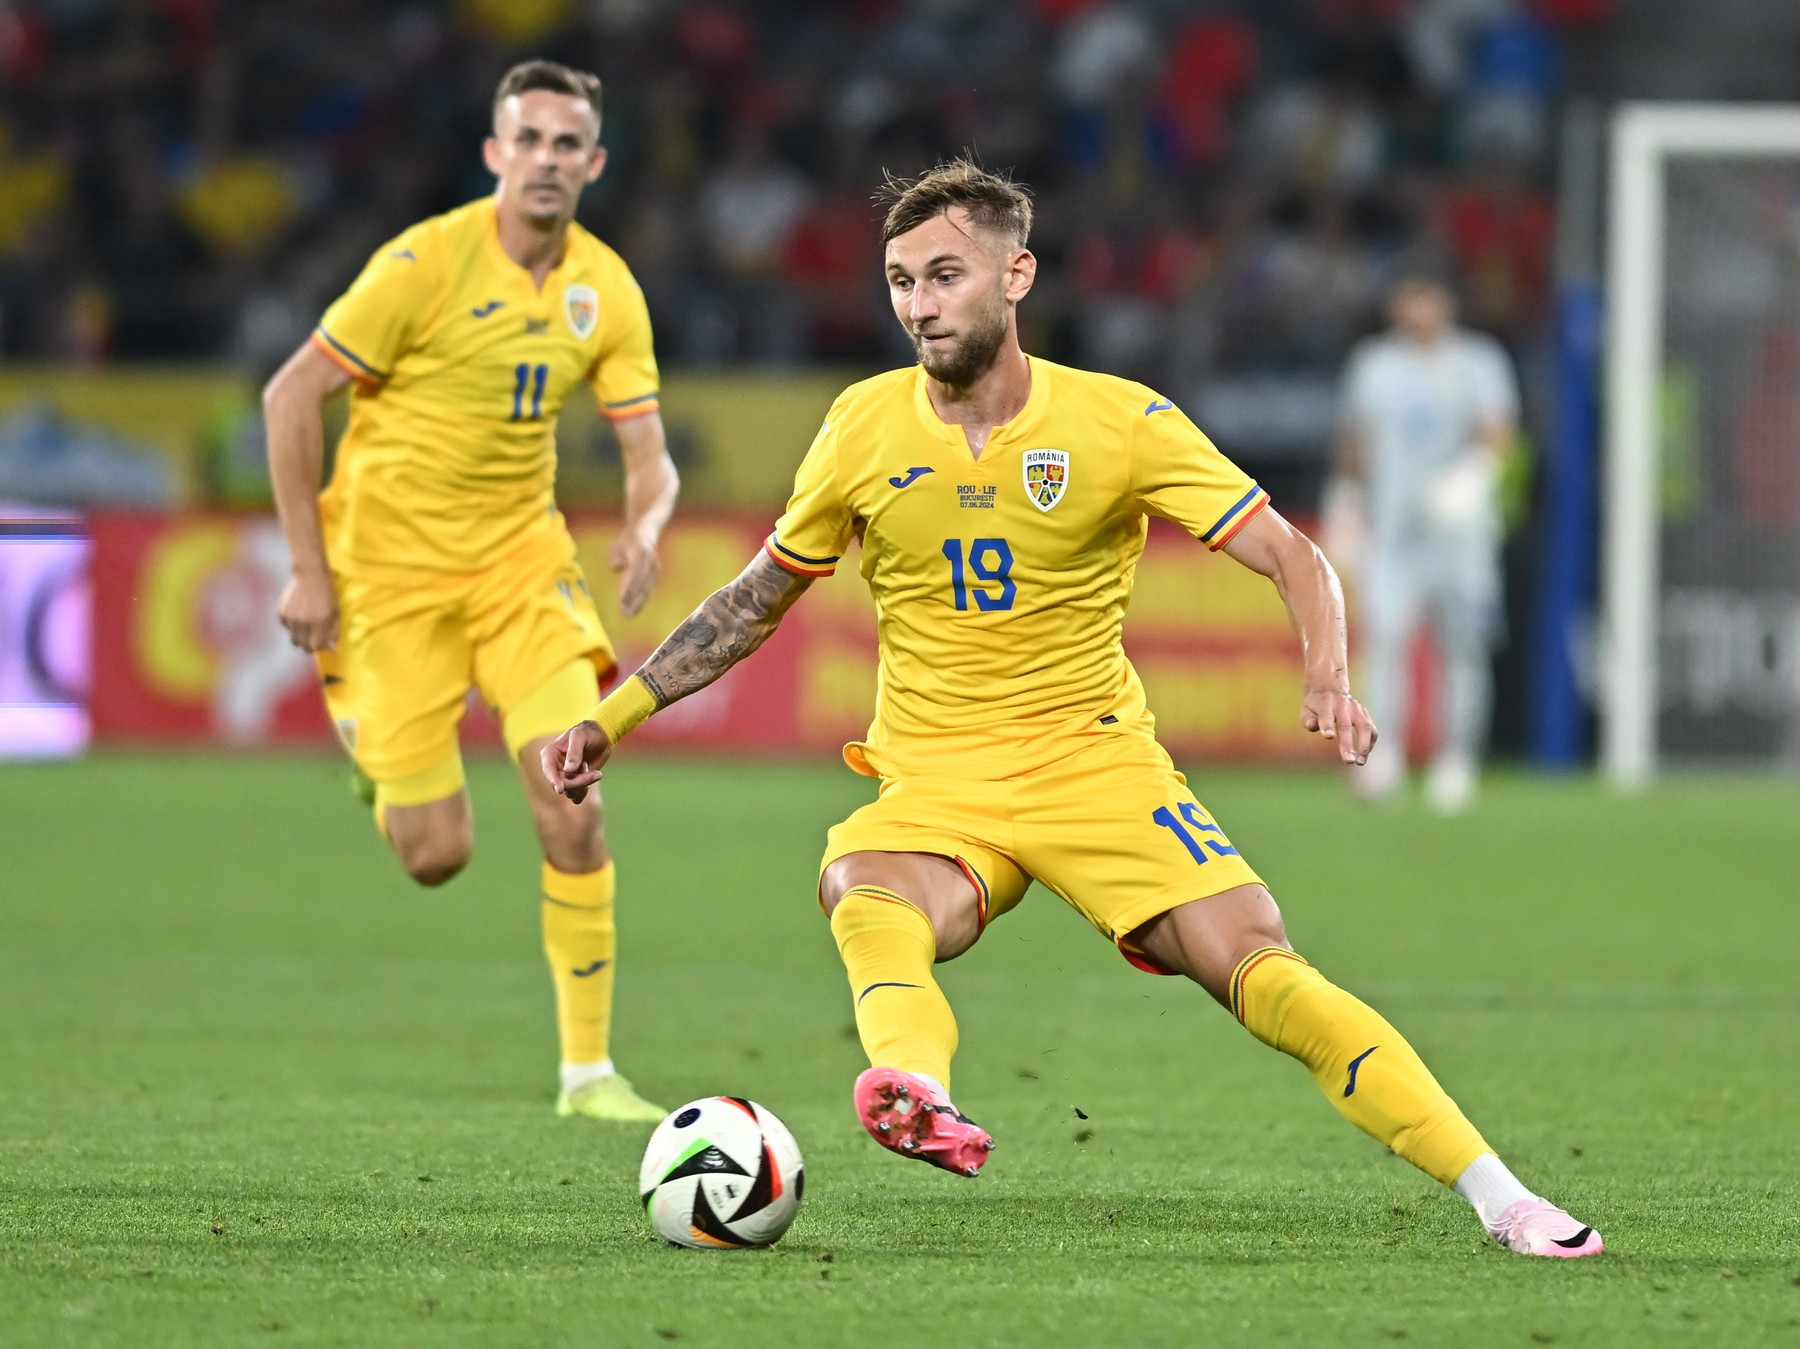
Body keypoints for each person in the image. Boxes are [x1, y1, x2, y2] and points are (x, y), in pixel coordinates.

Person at [542, 161, 1600, 1257]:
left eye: (945, 274)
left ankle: (1504, 1196)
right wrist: (611, 717)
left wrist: (1328, 673)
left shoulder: (1118, 420)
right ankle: (913, 1084)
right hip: (937, 777)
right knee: (864, 885)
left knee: (1260, 963)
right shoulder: (860, 424)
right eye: (901, 280)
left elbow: (1293, 553)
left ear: (1017, 276)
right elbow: (754, 597)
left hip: (1095, 767)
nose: (919, 304)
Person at [263, 60, 676, 1123]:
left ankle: (589, 1074)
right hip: (389, 582)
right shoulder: (424, 264)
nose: (547, 159)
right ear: (495, 153)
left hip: (521, 574)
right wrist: (308, 567)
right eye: (527, 139)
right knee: (435, 856)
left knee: (573, 803)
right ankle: (373, 758)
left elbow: (648, 453)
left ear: (594, 163)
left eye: (567, 143)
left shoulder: (605, 288)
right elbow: (290, 396)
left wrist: (644, 520)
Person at [1329, 271, 1519, 813]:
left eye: (1425, 299)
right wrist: (1345, 500)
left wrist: (1472, 477)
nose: (1416, 311)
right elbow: (1357, 440)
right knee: (1385, 642)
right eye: (1407, 300)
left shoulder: (1478, 362)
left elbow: (1499, 434)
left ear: (1444, 302)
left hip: (1461, 536)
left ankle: (1455, 759)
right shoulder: (1374, 365)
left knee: (1463, 646)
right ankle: (1382, 758)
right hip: (1395, 532)